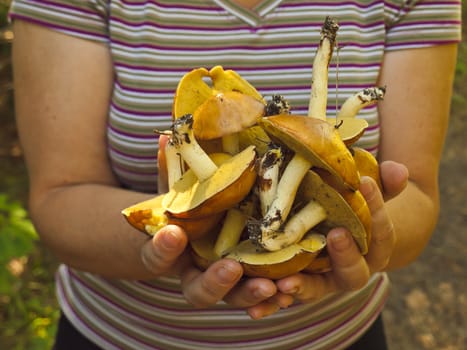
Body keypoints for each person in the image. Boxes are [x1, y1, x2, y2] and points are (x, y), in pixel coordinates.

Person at [9, 0, 461, 349]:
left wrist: (365, 234)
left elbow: (416, 195)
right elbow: (58, 196)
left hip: (338, 337)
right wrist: (180, 235)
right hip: (116, 336)